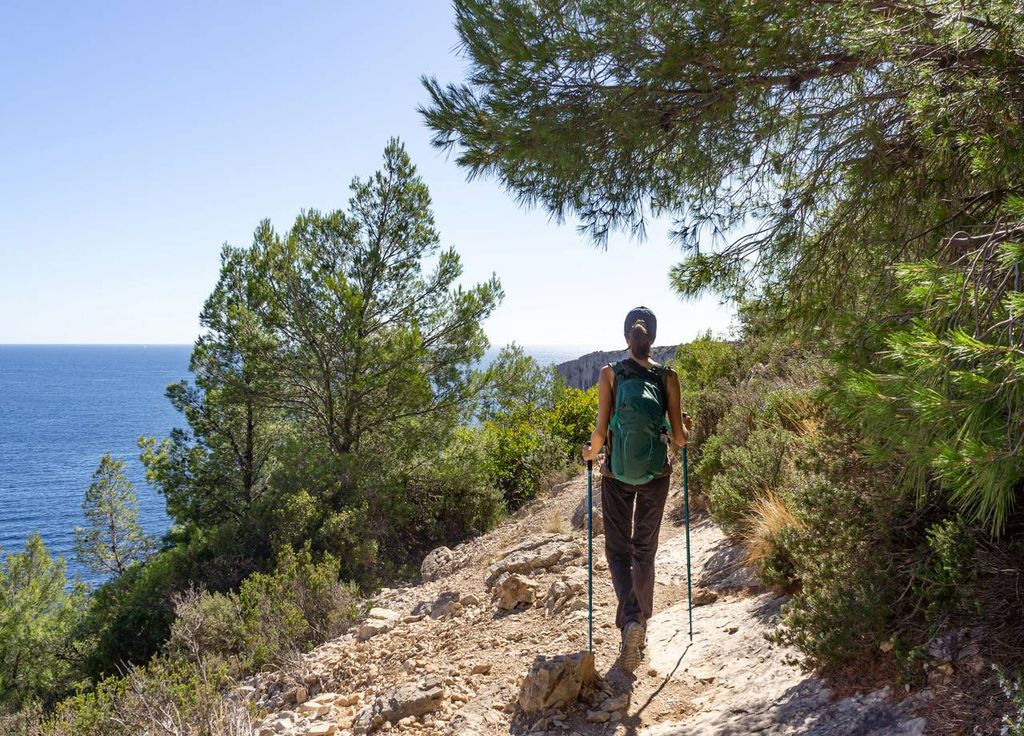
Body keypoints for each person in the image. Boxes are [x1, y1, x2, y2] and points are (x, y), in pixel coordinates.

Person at [582, 306, 691, 672]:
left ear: (626, 335)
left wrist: (589, 452)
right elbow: (679, 439)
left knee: (617, 552)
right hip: (656, 475)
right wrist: (687, 428)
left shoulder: (609, 373)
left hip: (616, 474)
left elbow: (600, 432)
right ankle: (640, 624)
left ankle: (630, 621)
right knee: (644, 551)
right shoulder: (668, 376)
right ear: (653, 337)